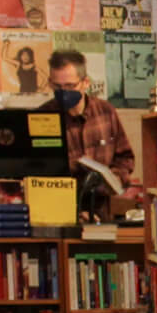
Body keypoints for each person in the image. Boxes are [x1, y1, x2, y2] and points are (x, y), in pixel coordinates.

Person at [43, 50, 138, 205]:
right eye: (57, 87)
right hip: (59, 207)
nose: (64, 92)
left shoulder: (106, 112)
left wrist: (110, 180)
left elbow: (125, 158)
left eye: (70, 86)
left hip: (102, 208)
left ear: (85, 82)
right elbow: (36, 170)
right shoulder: (42, 117)